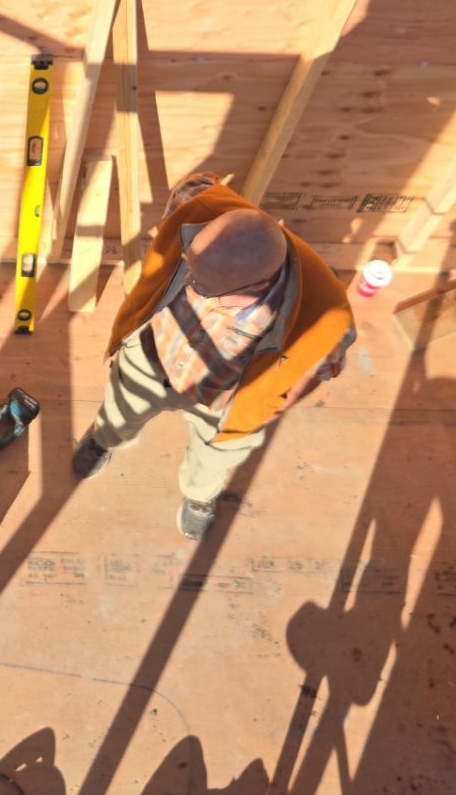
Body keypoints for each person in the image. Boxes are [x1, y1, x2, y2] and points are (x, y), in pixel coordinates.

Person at [71, 171, 357, 540]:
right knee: (119, 410)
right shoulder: (199, 206)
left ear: (255, 288)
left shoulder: (328, 315)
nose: (187, 281)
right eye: (189, 264)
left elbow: (324, 366)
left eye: (202, 284)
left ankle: (198, 497)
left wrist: (273, 405)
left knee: (216, 458)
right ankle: (104, 440)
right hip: (153, 353)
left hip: (227, 396)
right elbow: (194, 183)